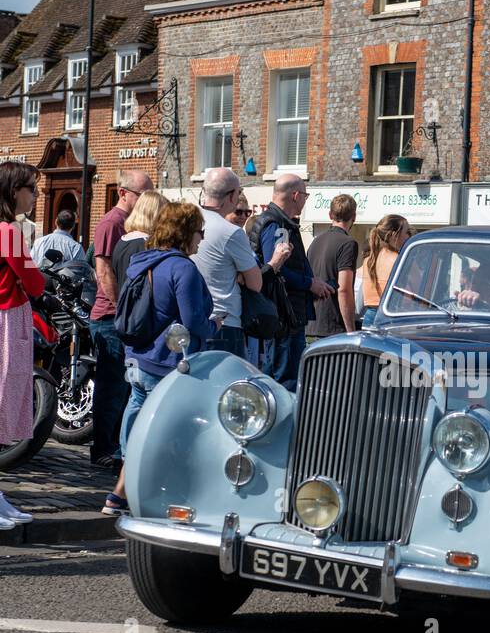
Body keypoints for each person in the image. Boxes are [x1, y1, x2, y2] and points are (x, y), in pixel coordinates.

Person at [104, 203, 219, 515]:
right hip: (165, 363)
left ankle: (118, 496)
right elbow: (194, 321)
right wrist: (215, 325)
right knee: (165, 434)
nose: (202, 238)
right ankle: (155, 498)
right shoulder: (183, 268)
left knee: (136, 424)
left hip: (136, 359)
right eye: (199, 231)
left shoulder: (141, 260)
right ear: (184, 233)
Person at [89, 170, 154, 469]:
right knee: (112, 385)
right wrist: (122, 310)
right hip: (110, 317)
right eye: (143, 194)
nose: (146, 200)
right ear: (123, 193)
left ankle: (116, 446)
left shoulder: (131, 225)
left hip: (122, 317)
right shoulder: (111, 223)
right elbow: (103, 272)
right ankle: (102, 447)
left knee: (125, 386)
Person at [249, 174, 332, 391]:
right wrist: (309, 284)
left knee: (286, 378)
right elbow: (277, 269)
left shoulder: (282, 224)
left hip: (288, 315)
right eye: (305, 195)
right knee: (283, 383)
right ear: (295, 195)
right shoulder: (276, 225)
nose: (305, 200)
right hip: (282, 317)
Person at [193, 167, 282, 360]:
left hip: (189, 319)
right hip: (223, 323)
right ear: (233, 195)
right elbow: (255, 284)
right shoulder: (231, 232)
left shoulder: (187, 220)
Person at [0, 163, 44, 529]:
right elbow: (35, 283)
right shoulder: (9, 233)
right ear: (14, 191)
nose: (35, 195)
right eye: (31, 188)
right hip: (7, 321)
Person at [307, 195, 359, 337]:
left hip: (310, 325)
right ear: (354, 217)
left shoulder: (315, 242)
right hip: (332, 328)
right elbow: (344, 289)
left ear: (330, 214)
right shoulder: (348, 243)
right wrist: (351, 331)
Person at [111, 191, 168, 295]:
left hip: (125, 306)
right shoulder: (149, 245)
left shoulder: (121, 242)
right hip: (142, 308)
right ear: (155, 215)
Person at [361, 215, 411, 321]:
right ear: (394, 235)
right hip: (392, 316)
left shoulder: (369, 260)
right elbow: (411, 297)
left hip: (369, 316)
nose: (409, 236)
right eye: (406, 232)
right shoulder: (400, 260)